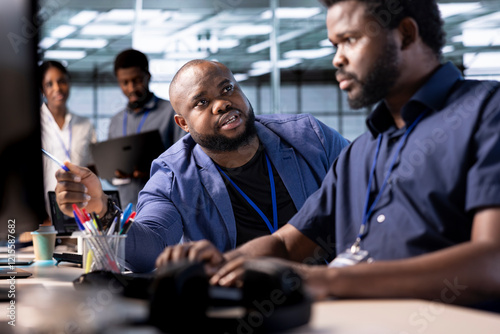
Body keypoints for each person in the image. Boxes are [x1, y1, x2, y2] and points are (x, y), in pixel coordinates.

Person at [155, 0, 500, 309]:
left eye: (350, 40)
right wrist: (224, 264)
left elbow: (493, 262)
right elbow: (287, 245)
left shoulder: (486, 112)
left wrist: (325, 280)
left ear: (406, 34)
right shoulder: (364, 151)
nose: (337, 58)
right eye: (335, 45)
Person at [54, 60, 350, 273]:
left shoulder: (309, 137)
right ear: (183, 124)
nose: (221, 104)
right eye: (201, 102)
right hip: (239, 305)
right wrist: (104, 212)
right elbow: (150, 250)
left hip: (333, 287)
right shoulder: (172, 176)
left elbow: (370, 183)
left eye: (227, 88)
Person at [108, 49, 185, 210]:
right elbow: (110, 175)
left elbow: (185, 163)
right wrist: (114, 172)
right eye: (125, 82)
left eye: (137, 80)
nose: (131, 88)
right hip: (124, 210)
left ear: (148, 76)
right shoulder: (116, 121)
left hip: (162, 207)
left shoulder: (171, 113)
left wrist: (151, 170)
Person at [39, 60, 96, 221]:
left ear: (69, 83)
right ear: (42, 90)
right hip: (43, 214)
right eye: (49, 84)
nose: (57, 88)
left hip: (81, 211)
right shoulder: (32, 125)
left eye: (62, 81)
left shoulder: (85, 125)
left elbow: (93, 169)